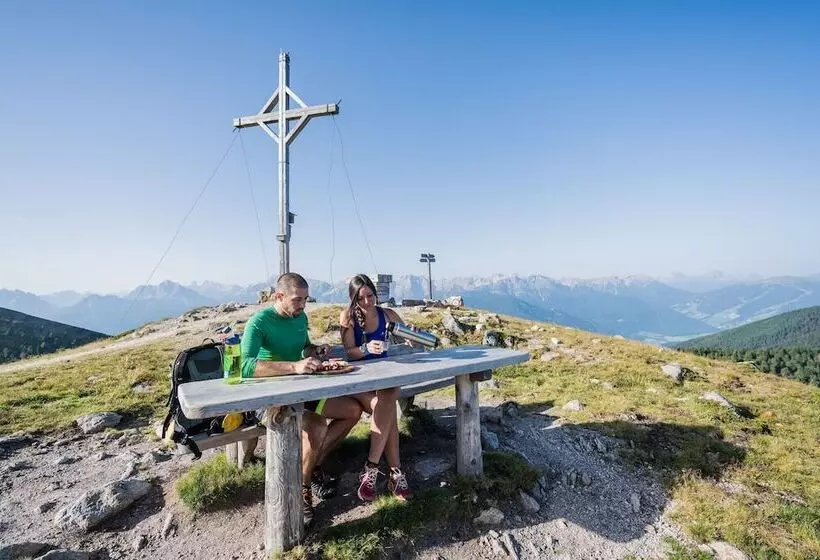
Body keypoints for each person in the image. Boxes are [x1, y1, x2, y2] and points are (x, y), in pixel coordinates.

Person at [240, 272, 364, 526]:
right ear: (280, 296)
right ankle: (303, 487)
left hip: (302, 391)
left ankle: (306, 467)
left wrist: (314, 350)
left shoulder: (300, 317)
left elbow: (303, 347)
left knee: (352, 411)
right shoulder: (259, 322)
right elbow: (245, 366)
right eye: (297, 300)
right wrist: (293, 367)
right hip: (270, 398)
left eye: (306, 299)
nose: (303, 305)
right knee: (317, 426)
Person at [339, 274, 413, 502]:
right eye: (361, 299)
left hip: (386, 375)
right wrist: (366, 347)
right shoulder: (348, 316)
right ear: (354, 300)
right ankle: (395, 473)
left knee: (387, 399)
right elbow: (349, 351)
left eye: (370, 296)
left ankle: (371, 468)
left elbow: (407, 335)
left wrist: (411, 335)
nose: (368, 302)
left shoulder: (386, 314)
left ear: (374, 292)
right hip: (359, 379)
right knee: (386, 409)